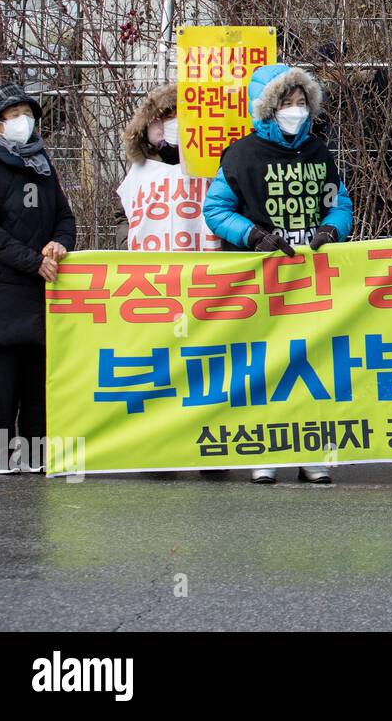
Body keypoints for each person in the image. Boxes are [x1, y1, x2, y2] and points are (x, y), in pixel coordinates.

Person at [203, 63, 354, 484]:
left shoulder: (319, 153)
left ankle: (312, 453)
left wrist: (331, 227)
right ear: (267, 108)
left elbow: (339, 204)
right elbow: (215, 211)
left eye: (301, 102)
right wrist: (253, 236)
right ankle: (264, 451)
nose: (296, 110)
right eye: (286, 103)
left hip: (308, 276)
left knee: (312, 360)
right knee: (262, 362)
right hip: (260, 279)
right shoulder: (241, 155)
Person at [0, 82, 76, 474]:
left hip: (44, 289)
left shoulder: (41, 162)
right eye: (14, 115)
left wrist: (58, 244)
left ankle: (38, 454)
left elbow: (65, 217)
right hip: (0, 287)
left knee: (39, 378)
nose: (24, 121)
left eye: (27, 114)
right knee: (3, 378)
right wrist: (29, 261)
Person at [116, 83, 222, 252]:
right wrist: (126, 244)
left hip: (201, 269)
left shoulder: (212, 164)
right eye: (169, 117)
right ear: (151, 124)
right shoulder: (139, 169)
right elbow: (124, 215)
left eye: (181, 116)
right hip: (150, 268)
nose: (175, 123)